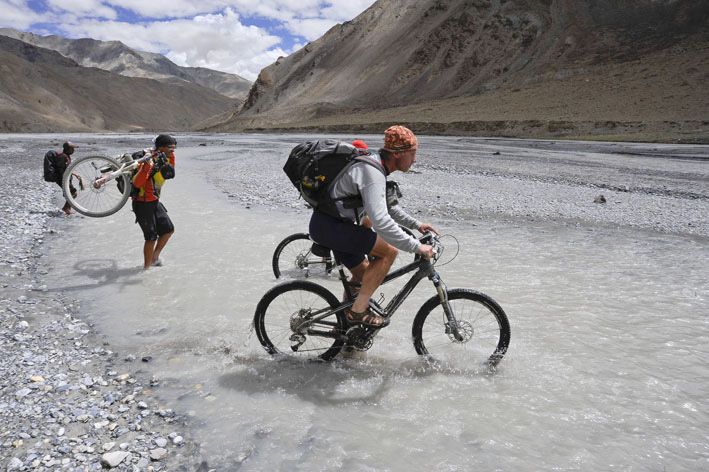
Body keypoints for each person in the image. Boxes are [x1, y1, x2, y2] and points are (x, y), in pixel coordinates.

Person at [309, 125, 437, 327]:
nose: (414, 160)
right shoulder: (373, 173)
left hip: (331, 225)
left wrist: (417, 225)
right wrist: (416, 246)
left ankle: (346, 327)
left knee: (362, 273)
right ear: (398, 153)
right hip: (332, 226)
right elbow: (381, 221)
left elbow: (389, 209)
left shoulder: (375, 165)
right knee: (388, 253)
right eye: (412, 154)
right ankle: (357, 313)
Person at [131, 134, 176, 269]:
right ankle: (147, 268)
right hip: (142, 203)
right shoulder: (148, 160)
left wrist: (169, 156)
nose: (172, 151)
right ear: (161, 148)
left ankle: (154, 257)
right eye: (170, 148)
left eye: (174, 148)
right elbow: (137, 184)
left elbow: (170, 173)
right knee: (151, 237)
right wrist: (147, 167)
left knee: (168, 230)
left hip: (154, 201)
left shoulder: (166, 158)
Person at [55, 141, 77, 215]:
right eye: (72, 148)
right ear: (67, 149)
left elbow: (67, 169)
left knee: (71, 194)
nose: (74, 150)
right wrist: (65, 180)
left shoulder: (67, 156)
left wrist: (76, 175)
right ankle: (66, 209)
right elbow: (60, 170)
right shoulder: (63, 157)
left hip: (66, 179)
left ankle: (67, 209)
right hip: (63, 179)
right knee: (73, 193)